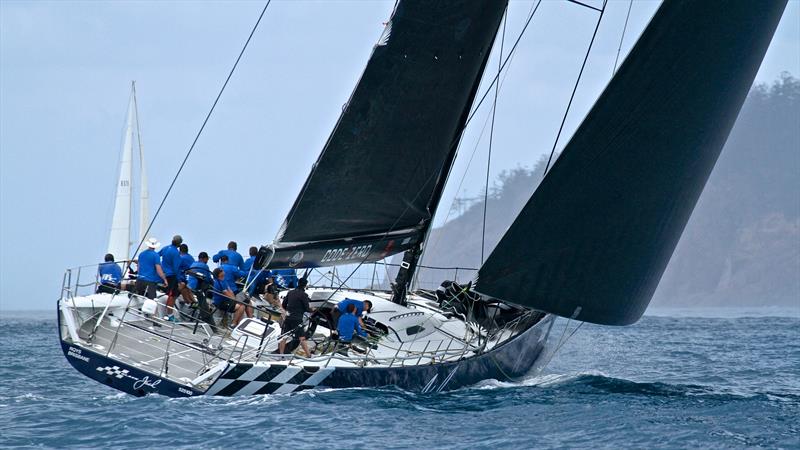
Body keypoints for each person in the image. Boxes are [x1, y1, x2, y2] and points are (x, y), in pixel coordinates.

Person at [279, 278, 314, 356]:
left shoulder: (290, 292)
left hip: (288, 318)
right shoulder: (304, 295)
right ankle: (309, 355)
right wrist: (313, 310)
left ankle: (280, 355)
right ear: (305, 286)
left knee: (284, 336)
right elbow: (307, 308)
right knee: (302, 337)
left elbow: (284, 305)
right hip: (297, 319)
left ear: (298, 283)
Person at [159, 235, 183, 320]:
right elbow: (176, 268)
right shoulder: (176, 253)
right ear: (179, 244)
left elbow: (158, 255)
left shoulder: (165, 248)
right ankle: (170, 315)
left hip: (164, 274)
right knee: (172, 295)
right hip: (172, 276)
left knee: (170, 294)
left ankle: (168, 313)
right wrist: (180, 280)